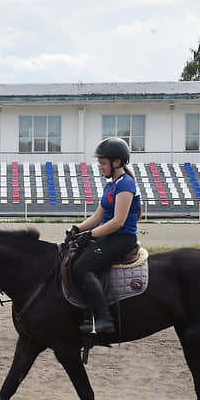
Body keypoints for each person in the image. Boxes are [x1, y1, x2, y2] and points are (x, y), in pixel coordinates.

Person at [68, 137, 141, 334]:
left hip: (122, 239)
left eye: (102, 163)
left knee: (83, 267)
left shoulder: (126, 184)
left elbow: (118, 221)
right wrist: (77, 229)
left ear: (117, 162)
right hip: (109, 236)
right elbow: (98, 216)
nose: (100, 166)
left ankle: (104, 319)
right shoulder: (112, 184)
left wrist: (90, 234)